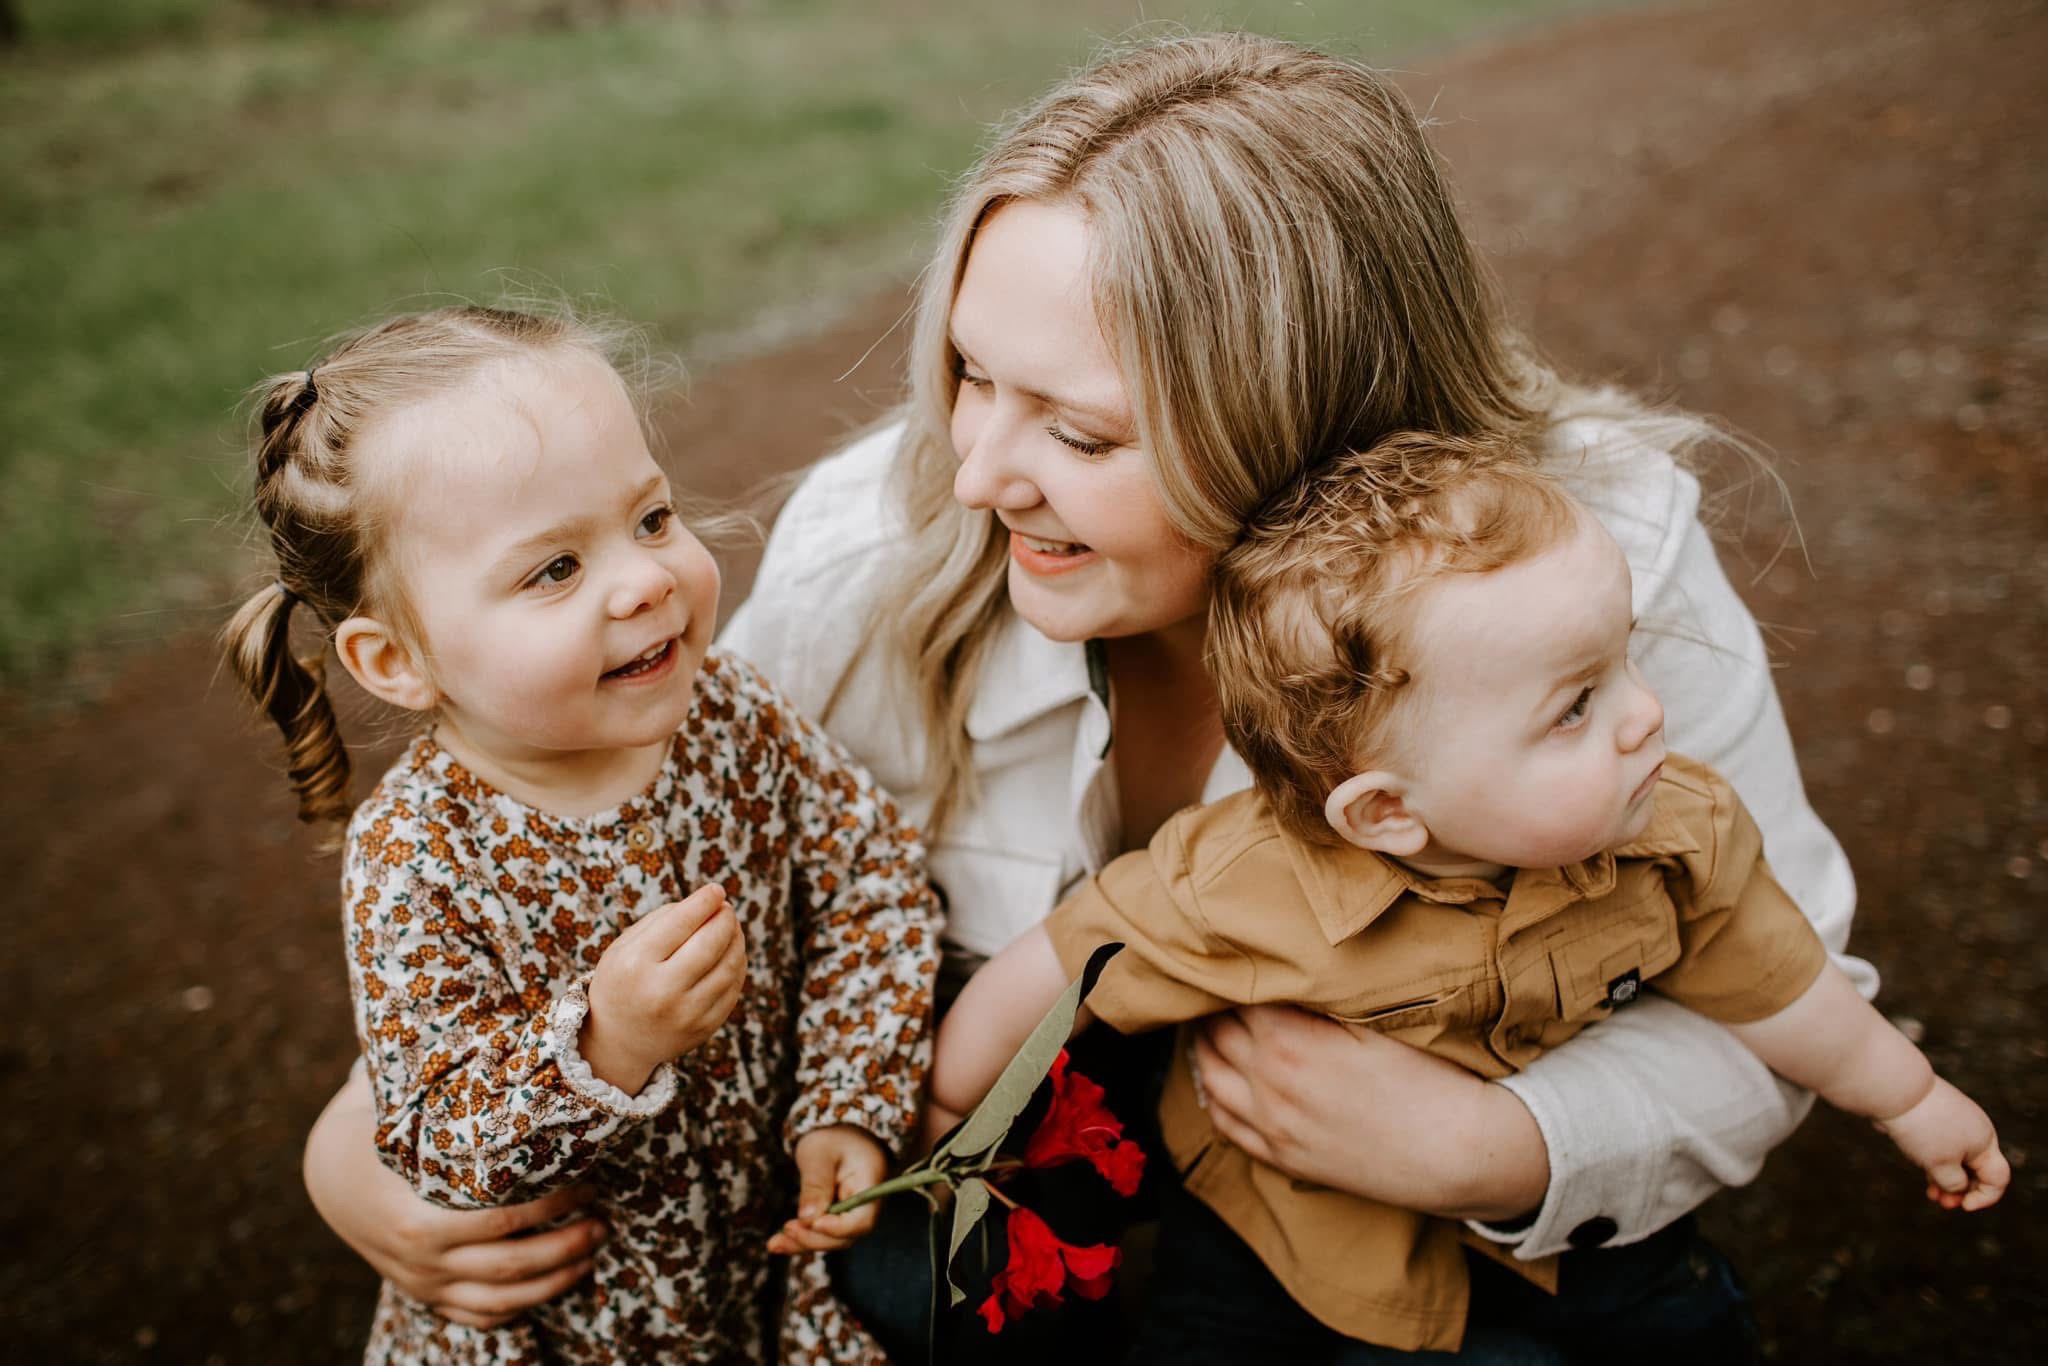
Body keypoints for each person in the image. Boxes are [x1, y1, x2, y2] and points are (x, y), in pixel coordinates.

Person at [303, 33, 1875, 1361]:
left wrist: (1492, 1144)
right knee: (897, 1276)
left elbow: (1784, 999)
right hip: (1056, 1207)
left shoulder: (1582, 569)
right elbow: (647, 836)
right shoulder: (879, 543)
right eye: (970, 375)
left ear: (1299, 414)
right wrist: (358, 1135)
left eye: (1080, 430)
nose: (980, 471)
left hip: (1409, 1245)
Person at [928, 433, 2007, 1360]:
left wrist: (1907, 1097)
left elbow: (1778, 977)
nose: (1643, 716)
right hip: (1282, 1242)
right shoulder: (1241, 883)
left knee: (1682, 1330)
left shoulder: (1671, 831)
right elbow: (1063, 964)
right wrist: (944, 1120)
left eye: (1624, 663)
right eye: (1574, 707)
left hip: (1560, 1233)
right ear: (1387, 811)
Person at [223, 305, 939, 1362]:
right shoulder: (418, 855)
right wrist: (605, 1045)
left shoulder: (731, 714)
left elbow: (868, 879)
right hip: (569, 1325)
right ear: (396, 661)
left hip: (759, 1272)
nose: (647, 577)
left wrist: (847, 1097)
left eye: (650, 518)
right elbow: (431, 1135)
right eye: (554, 569)